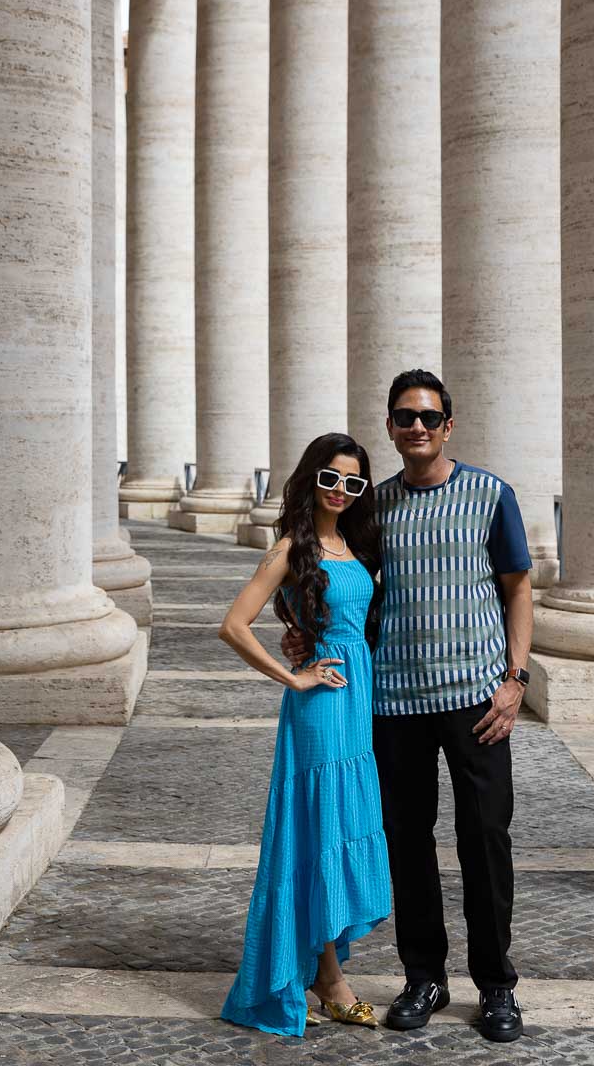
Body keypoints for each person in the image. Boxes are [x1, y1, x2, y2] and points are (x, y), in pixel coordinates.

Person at [283, 370, 533, 1044]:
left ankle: (498, 986)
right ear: (390, 428)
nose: (416, 426)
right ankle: (424, 976)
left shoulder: (490, 494)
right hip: (393, 703)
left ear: (448, 425)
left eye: (428, 416)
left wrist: (515, 680)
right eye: (403, 417)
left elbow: (518, 589)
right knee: (408, 845)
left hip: (477, 699)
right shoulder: (373, 507)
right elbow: (333, 576)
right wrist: (302, 632)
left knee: (486, 841)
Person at [219, 433, 392, 1038]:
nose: (340, 492)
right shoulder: (293, 545)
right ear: (310, 479)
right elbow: (234, 625)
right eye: (329, 479)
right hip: (320, 710)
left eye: (352, 483)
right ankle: (329, 979)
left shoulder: (351, 543)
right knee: (319, 833)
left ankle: (326, 969)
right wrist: (294, 679)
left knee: (340, 828)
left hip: (358, 704)